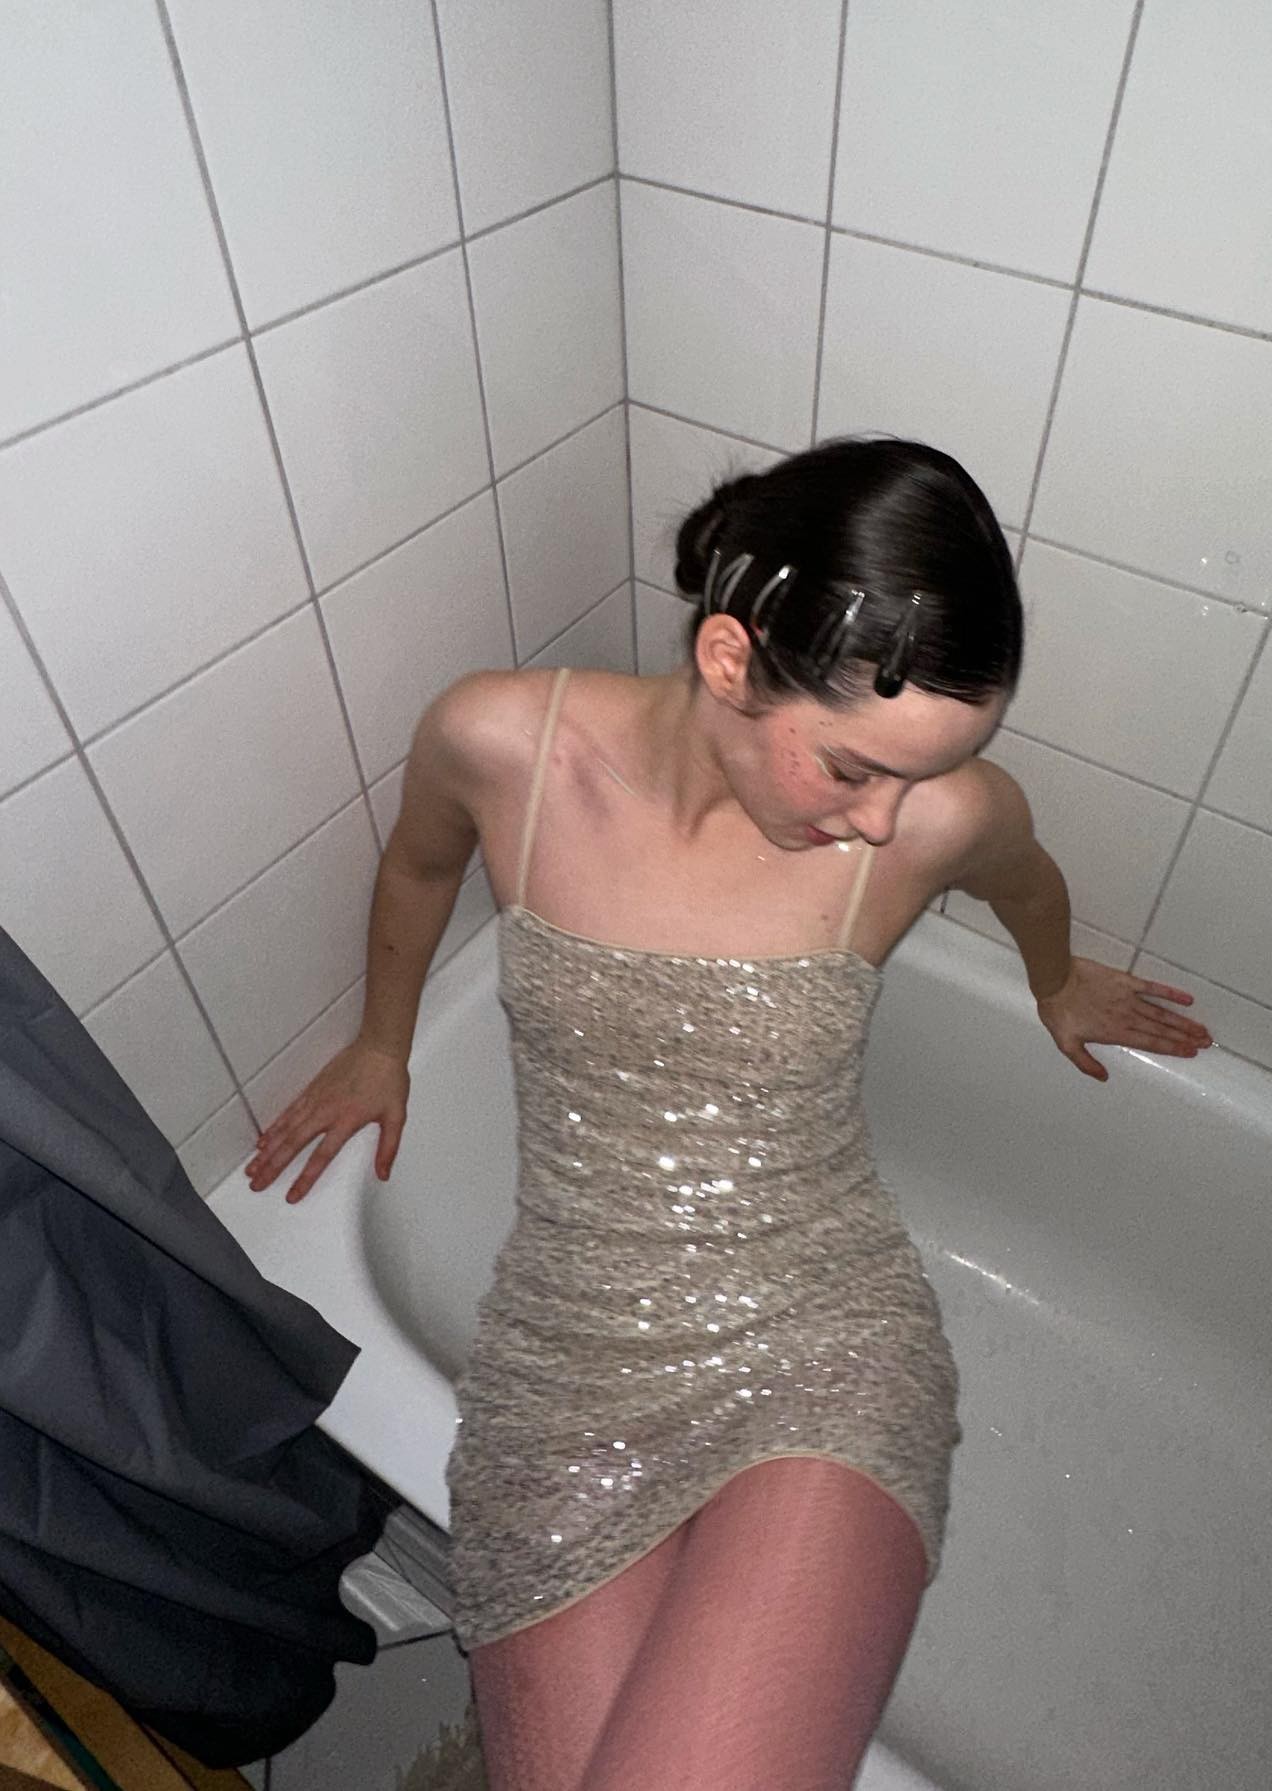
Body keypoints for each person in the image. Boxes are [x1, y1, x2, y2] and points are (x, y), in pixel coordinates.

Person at [244, 436, 1211, 1791]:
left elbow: (1025, 878)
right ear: (727, 660)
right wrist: (381, 1044)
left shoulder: (940, 818)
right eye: (854, 768)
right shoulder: (498, 741)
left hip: (819, 1330)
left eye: (921, 777)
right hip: (567, 1350)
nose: (888, 824)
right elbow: (415, 869)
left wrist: (1059, 982)